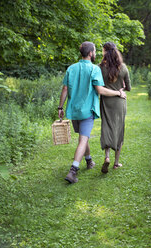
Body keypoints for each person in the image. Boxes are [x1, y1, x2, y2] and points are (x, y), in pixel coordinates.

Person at [58, 41, 126, 184]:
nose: (96, 54)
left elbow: (65, 89)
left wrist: (60, 107)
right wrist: (117, 93)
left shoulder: (71, 68)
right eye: (95, 51)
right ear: (90, 53)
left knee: (83, 137)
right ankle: (73, 171)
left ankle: (89, 161)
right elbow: (100, 90)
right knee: (83, 139)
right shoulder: (94, 69)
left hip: (74, 110)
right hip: (87, 110)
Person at [99, 42, 131, 174]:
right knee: (119, 129)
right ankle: (116, 163)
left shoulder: (100, 68)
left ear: (105, 52)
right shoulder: (123, 67)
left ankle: (107, 157)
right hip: (119, 102)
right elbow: (128, 87)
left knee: (107, 127)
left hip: (106, 101)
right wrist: (121, 88)